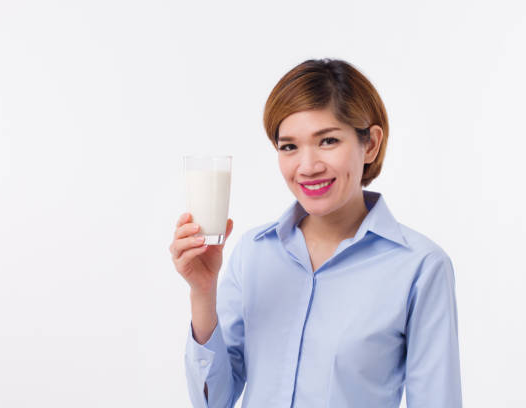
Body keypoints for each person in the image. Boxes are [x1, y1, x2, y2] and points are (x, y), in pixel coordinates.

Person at [169, 58, 462, 407]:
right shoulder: (253, 253)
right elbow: (212, 402)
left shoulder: (421, 267)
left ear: (370, 144)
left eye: (327, 141)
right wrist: (203, 292)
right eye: (289, 146)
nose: (307, 167)